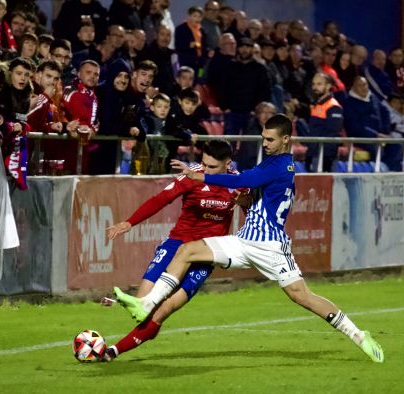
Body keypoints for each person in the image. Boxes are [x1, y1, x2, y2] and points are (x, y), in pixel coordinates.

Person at [113, 113, 384, 363]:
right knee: (187, 251)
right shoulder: (275, 162)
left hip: (269, 246)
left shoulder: (279, 166)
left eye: (270, 139)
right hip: (244, 241)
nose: (264, 143)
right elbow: (260, 192)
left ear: (286, 139)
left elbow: (240, 179)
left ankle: (359, 335)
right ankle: (146, 303)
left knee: (302, 296)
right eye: (263, 138)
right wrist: (250, 200)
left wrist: (199, 176)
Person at [101, 139, 247, 361]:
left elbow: (252, 213)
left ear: (228, 163)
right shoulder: (192, 175)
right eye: (203, 164)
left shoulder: (239, 182)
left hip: (206, 254)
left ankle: (113, 351)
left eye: (212, 167)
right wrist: (129, 223)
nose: (204, 170)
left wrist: (245, 217)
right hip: (177, 244)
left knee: (165, 308)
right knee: (143, 302)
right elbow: (161, 199)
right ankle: (124, 311)